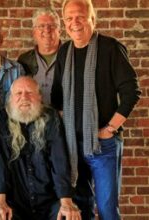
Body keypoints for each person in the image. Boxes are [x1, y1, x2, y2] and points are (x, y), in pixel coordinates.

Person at [51, 0, 141, 219]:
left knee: (107, 209)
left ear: (92, 18)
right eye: (69, 18)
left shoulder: (110, 48)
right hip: (74, 146)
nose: (75, 22)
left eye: (80, 16)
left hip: (105, 145)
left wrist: (110, 128)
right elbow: (57, 98)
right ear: (64, 22)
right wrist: (68, 130)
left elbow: (131, 92)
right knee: (81, 209)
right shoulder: (64, 52)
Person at [0, 76, 81, 220]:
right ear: (11, 98)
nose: (24, 97)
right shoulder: (2, 119)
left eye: (29, 93)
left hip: (49, 203)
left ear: (39, 96)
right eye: (18, 93)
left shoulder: (51, 117)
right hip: (16, 204)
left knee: (69, 216)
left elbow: (59, 161)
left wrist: (66, 202)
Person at [18, 8, 61, 105]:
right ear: (34, 32)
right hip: (33, 117)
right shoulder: (24, 60)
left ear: (60, 31)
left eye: (52, 26)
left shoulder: (70, 57)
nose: (47, 30)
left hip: (64, 118)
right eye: (41, 26)